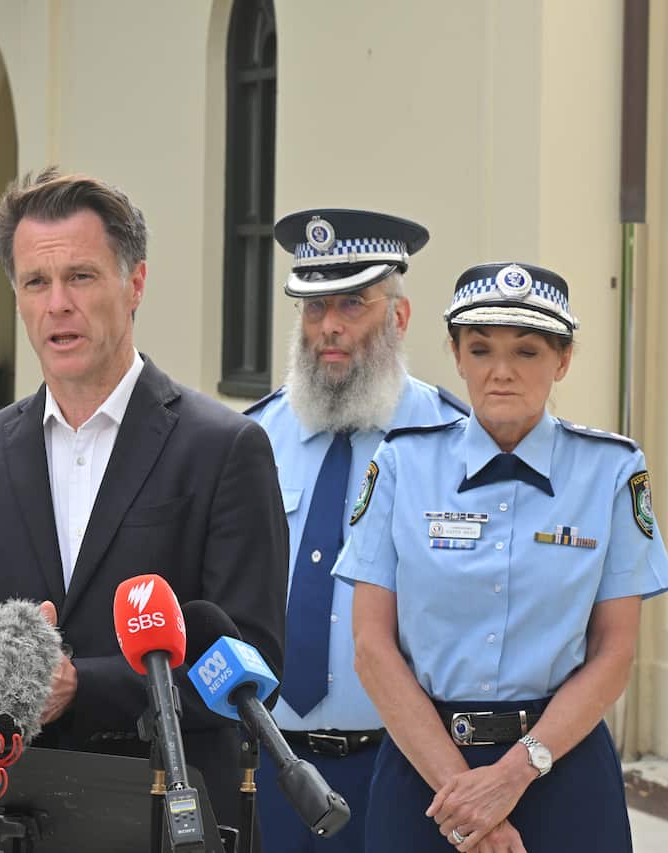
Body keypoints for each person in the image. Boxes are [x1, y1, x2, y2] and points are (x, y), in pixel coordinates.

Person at [0, 168, 289, 835]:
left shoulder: (225, 448)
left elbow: (253, 662)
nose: (58, 304)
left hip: (171, 818)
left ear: (135, 284)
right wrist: (8, 691)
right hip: (12, 821)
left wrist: (83, 685)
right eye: (36, 282)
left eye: (80, 276)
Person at [333, 262, 668, 852]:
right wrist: (470, 800)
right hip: (426, 773)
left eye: (526, 351)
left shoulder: (611, 471)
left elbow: (614, 652)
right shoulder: (400, 465)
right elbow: (371, 647)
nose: (501, 372)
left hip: (562, 766)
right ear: (456, 356)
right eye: (480, 349)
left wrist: (513, 775)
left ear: (562, 360)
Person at [245, 209, 468, 852]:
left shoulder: (454, 444)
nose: (329, 327)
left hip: (401, 769)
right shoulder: (251, 439)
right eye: (314, 307)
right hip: (267, 766)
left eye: (352, 303)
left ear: (399, 316)